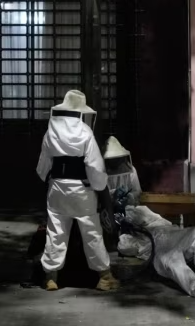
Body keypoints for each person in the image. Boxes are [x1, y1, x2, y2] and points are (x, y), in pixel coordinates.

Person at [36, 90, 121, 292]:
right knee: (92, 232)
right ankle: (104, 277)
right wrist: (100, 187)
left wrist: (46, 179)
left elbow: (43, 167)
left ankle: (51, 277)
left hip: (57, 187)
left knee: (56, 232)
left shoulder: (51, 131)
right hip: (82, 190)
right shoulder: (85, 132)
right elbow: (94, 166)